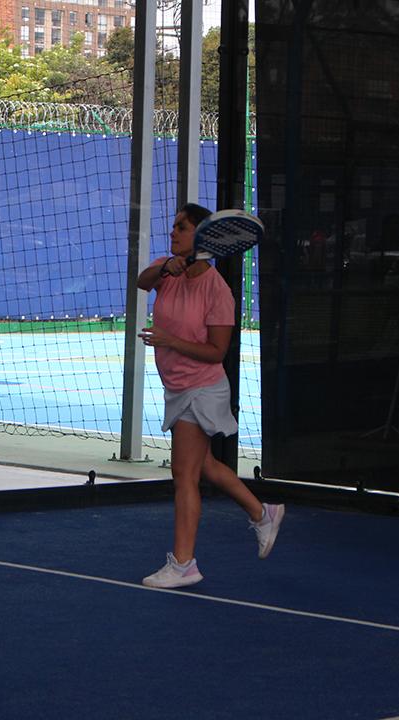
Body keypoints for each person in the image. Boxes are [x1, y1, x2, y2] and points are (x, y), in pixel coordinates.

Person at [136, 203, 285, 589]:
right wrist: (165, 269)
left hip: (202, 388)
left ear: (203, 236)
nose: (173, 233)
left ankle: (183, 564)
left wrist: (170, 340)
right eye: (173, 226)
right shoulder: (167, 270)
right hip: (177, 386)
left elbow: (217, 352)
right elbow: (141, 281)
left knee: (183, 473)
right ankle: (263, 513)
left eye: (181, 228)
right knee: (205, 466)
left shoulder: (218, 291)